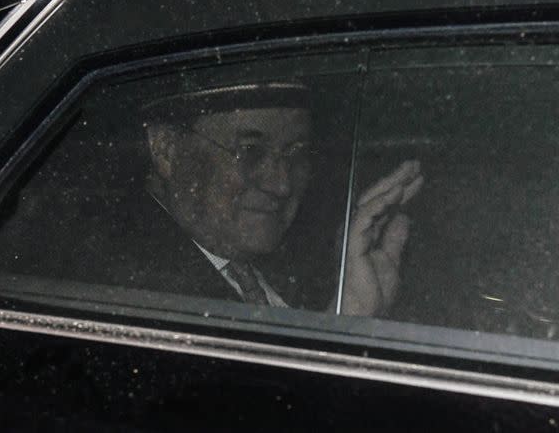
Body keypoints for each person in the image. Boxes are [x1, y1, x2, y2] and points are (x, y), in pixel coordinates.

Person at [137, 78, 423, 316]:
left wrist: (352, 313)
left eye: (296, 154)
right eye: (250, 152)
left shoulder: (292, 264)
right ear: (166, 150)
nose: (282, 184)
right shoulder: (130, 284)